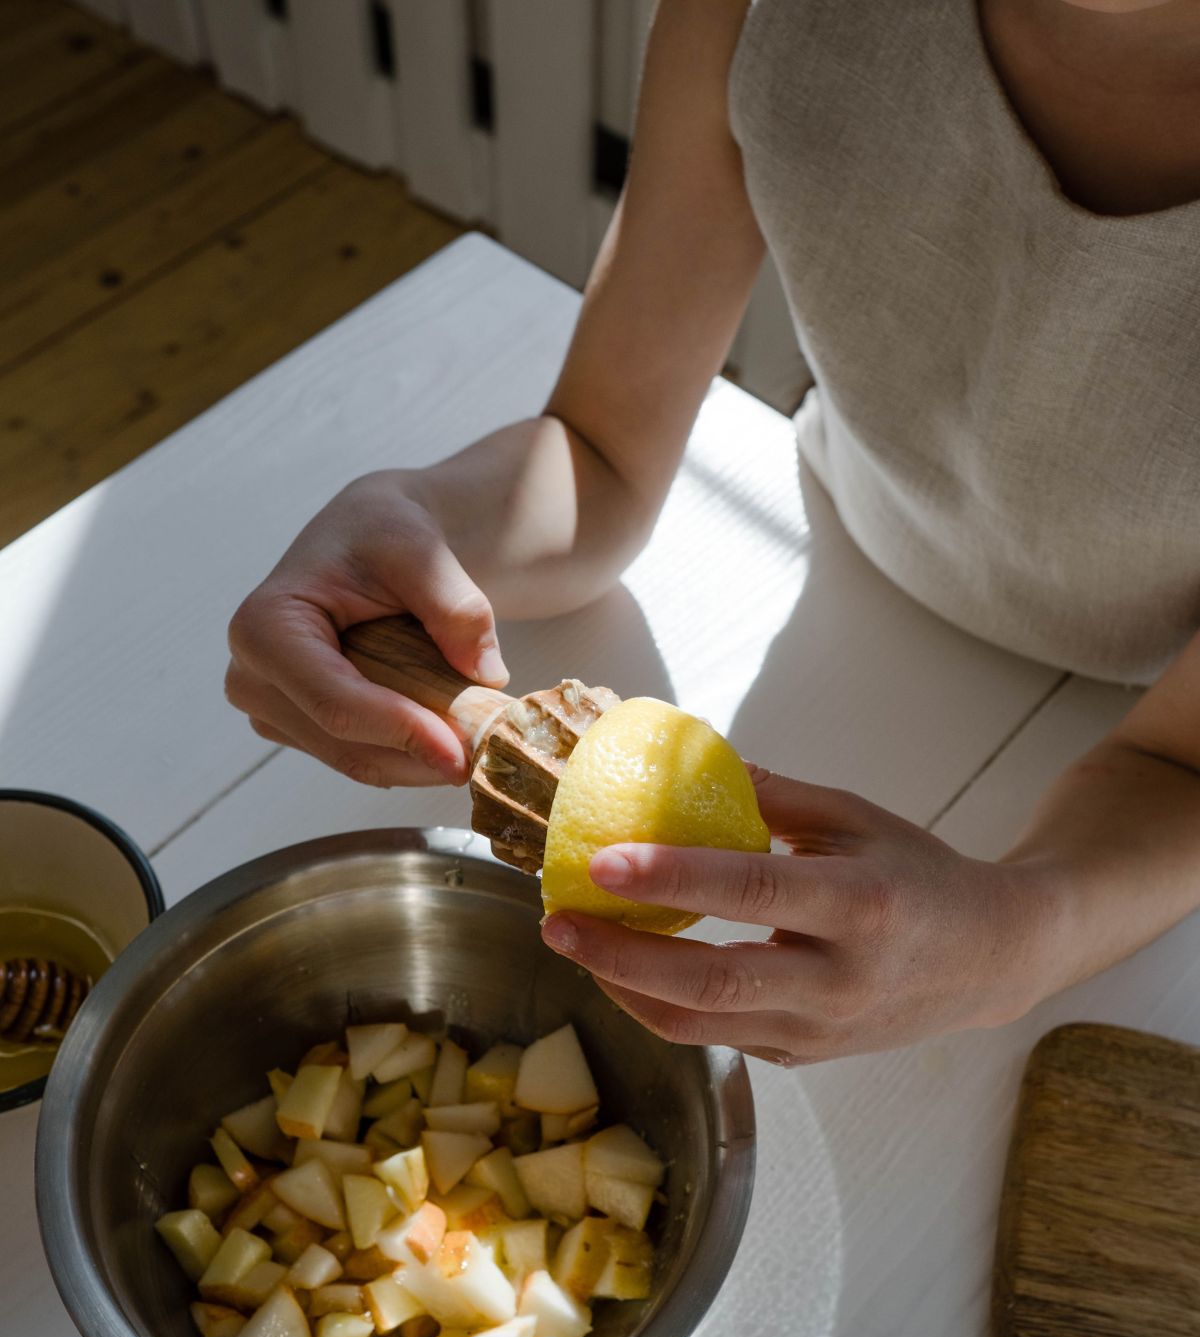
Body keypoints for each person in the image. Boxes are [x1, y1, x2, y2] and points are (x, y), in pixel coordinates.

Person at [225, 0, 1200, 1066]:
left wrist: (1024, 938)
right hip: (846, 559)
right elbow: (601, 446)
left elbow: (1178, 765)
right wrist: (427, 518)